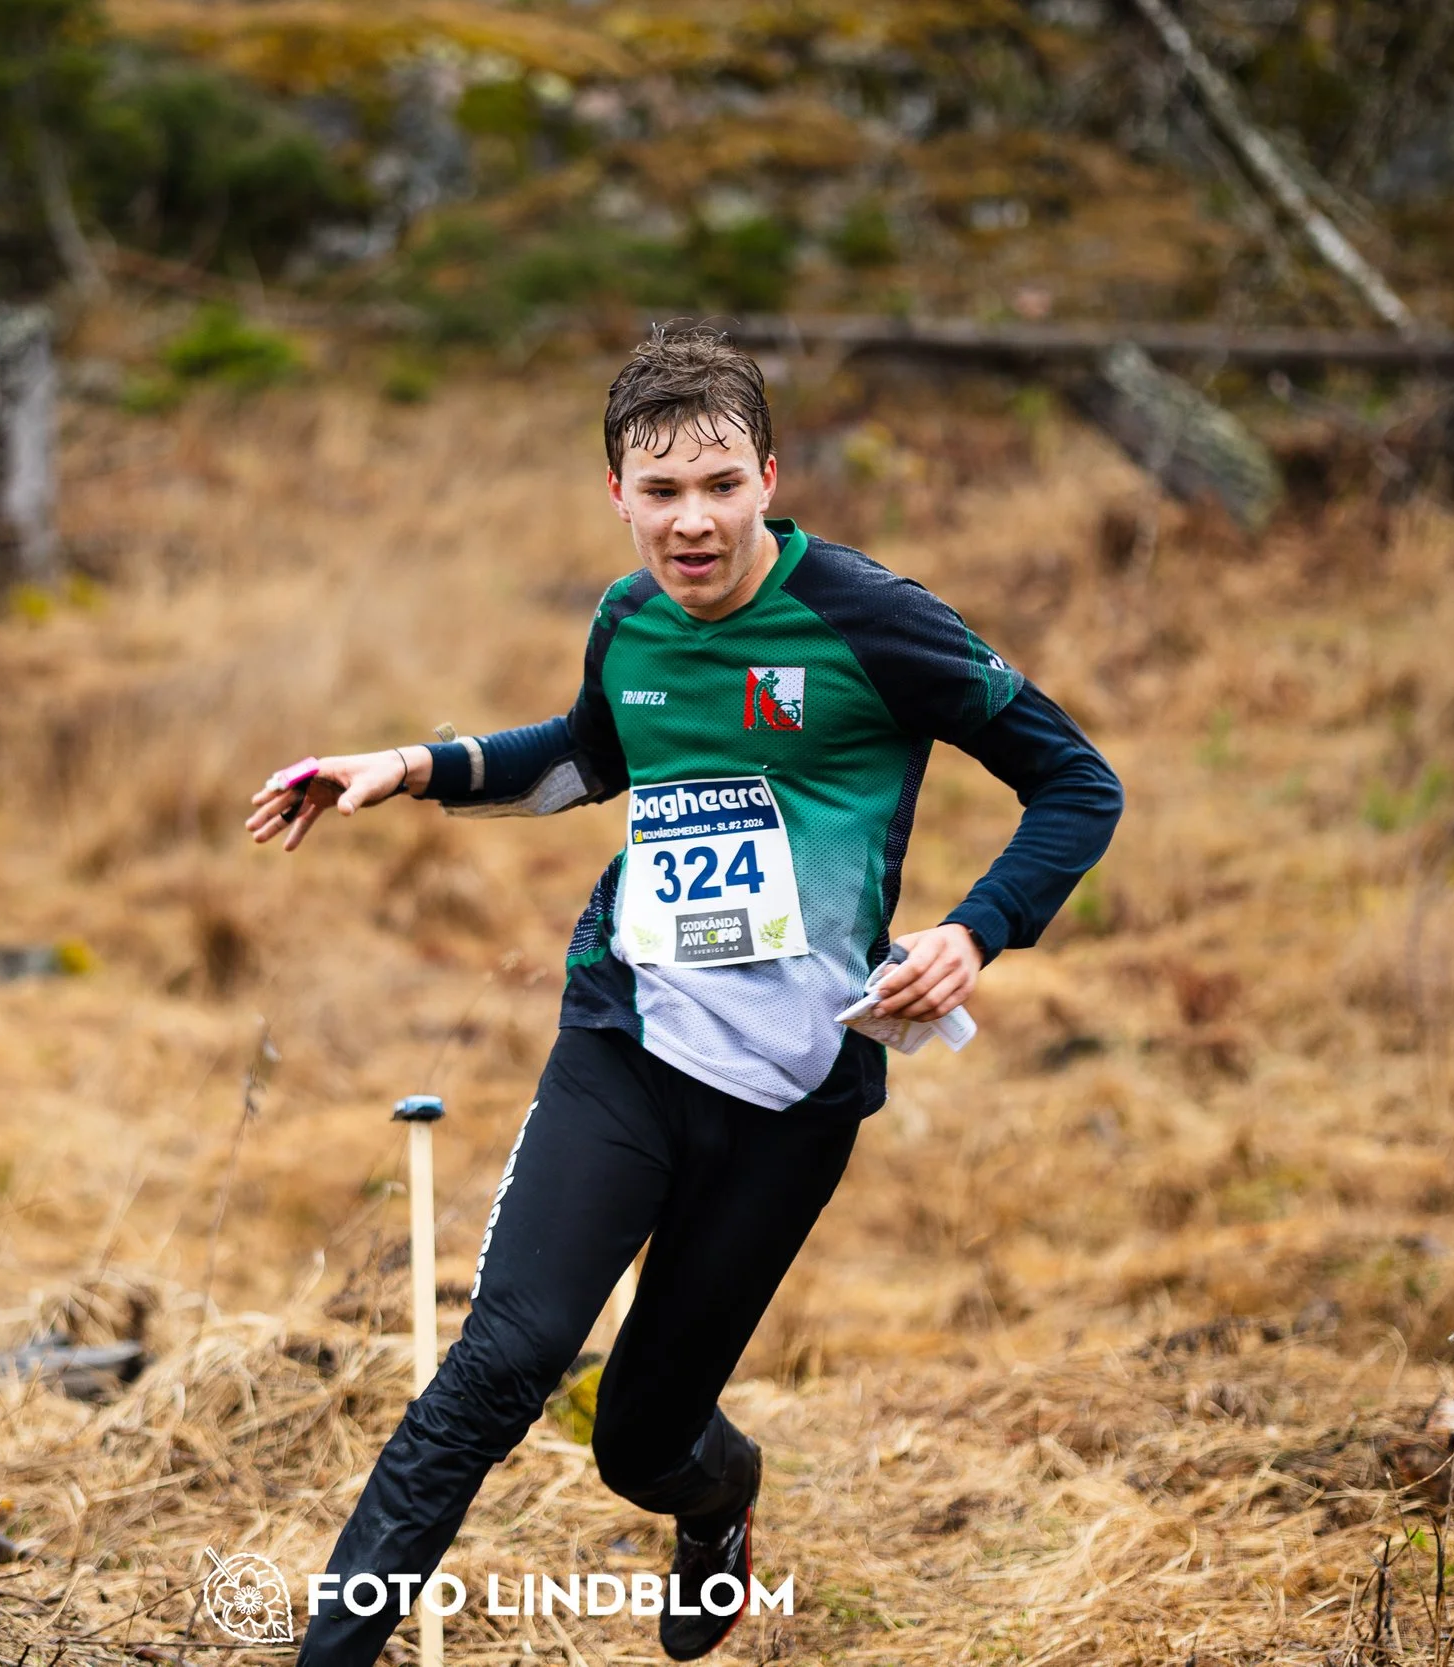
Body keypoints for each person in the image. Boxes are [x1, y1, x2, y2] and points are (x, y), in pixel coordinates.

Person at [245, 326, 1124, 1664]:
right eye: (660, 493)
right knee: (502, 1359)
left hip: (795, 1088)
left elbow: (1077, 783)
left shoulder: (873, 620)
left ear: (768, 476)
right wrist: (410, 765)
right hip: (629, 1036)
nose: (693, 522)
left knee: (642, 1436)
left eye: (721, 485)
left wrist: (975, 929)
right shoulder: (628, 621)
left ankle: (722, 1499)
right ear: (618, 497)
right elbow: (587, 756)